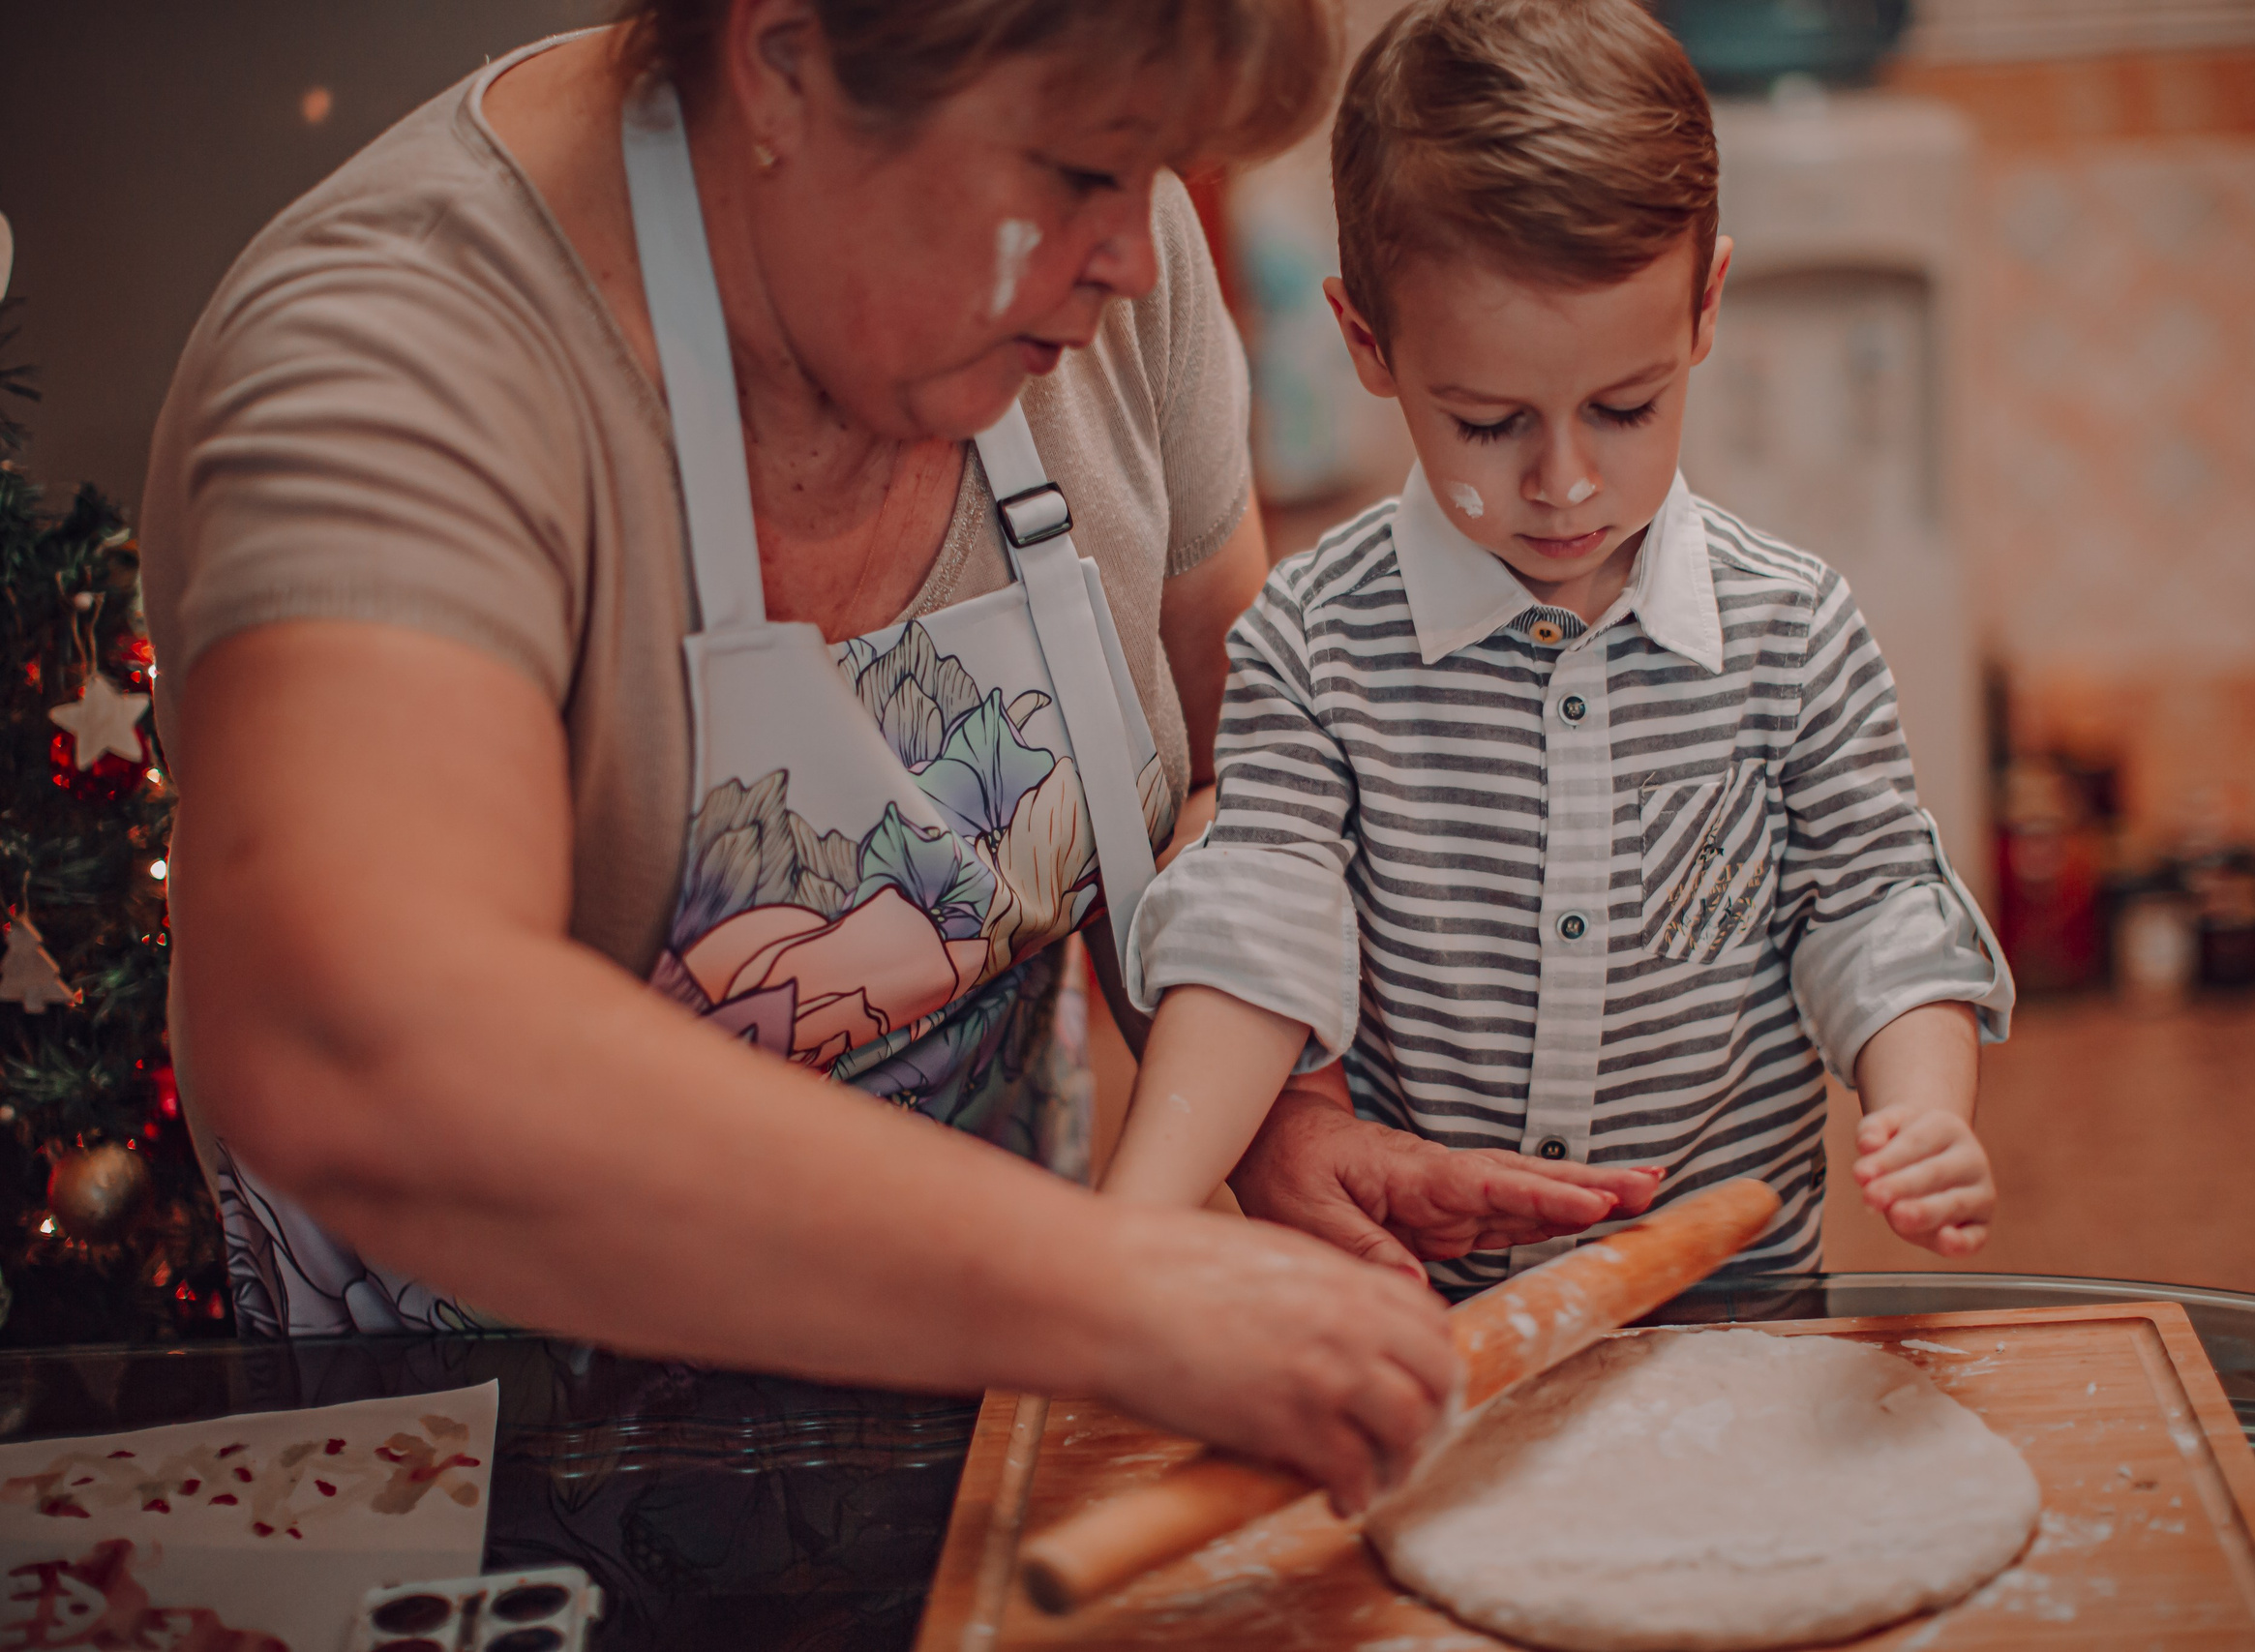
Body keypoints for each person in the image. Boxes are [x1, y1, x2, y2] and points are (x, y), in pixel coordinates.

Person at [135, 0, 1603, 1513]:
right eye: (1084, 172)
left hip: (974, 1423)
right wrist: (1109, 1290)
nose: (1144, 254)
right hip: (485, 1484)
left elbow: (1238, 785)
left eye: (1157, 169)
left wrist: (1271, 1112)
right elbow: (362, 1047)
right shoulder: (396, 370)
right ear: (783, 59)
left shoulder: (1096, 295)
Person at [1105, 0, 2017, 1293]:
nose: (1565, 483)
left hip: (1734, 1329)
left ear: (1705, 312)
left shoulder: (1792, 632)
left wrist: (1924, 1106)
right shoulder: (1317, 643)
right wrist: (1136, 1224)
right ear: (1371, 344)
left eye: (1627, 407)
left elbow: (1872, 907)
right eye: (1488, 422)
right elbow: (1257, 940)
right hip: (1430, 1337)